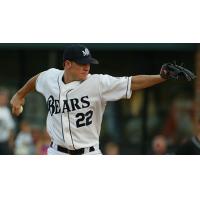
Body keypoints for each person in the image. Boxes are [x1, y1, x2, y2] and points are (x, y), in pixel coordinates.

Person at [10, 44, 195, 155]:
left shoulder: (98, 83)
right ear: (67, 64)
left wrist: (161, 77)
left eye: (88, 63)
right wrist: (19, 95)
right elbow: (36, 80)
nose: (87, 67)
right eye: (82, 63)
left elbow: (132, 82)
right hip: (56, 152)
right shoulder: (50, 77)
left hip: (89, 154)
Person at [0, 87, 15, 154]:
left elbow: (10, 128)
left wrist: (11, 142)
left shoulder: (6, 111)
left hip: (3, 142)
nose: (5, 100)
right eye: (2, 98)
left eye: (5, 98)